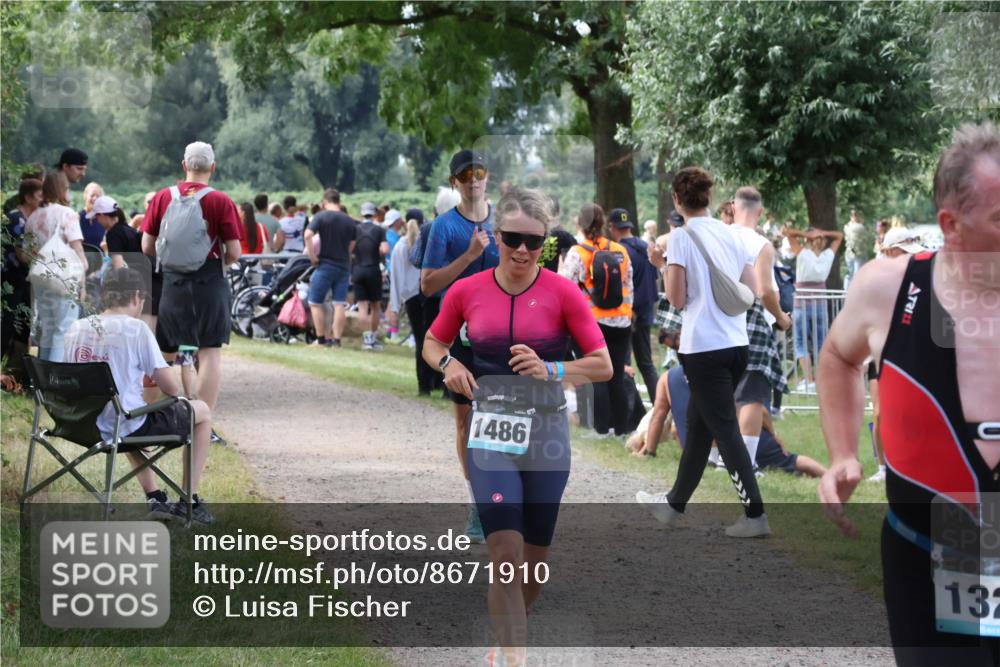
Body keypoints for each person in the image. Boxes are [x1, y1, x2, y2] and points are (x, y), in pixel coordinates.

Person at [818, 122, 1000, 663]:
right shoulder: (888, 288)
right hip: (931, 552)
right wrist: (844, 454)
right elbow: (836, 357)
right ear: (952, 225)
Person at [423, 187, 612, 667]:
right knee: (503, 555)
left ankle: (507, 642)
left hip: (547, 436)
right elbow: (431, 341)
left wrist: (551, 369)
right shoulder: (468, 290)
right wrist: (447, 364)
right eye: (512, 239)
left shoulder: (562, 291)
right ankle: (514, 659)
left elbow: (603, 365)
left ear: (546, 242)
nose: (523, 251)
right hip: (491, 436)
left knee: (534, 565)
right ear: (495, 237)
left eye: (535, 242)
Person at [635, 166, 769, 538]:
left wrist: (661, 265)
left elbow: (677, 299)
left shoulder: (680, 237)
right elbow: (751, 289)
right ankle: (673, 505)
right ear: (710, 198)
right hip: (736, 343)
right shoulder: (734, 235)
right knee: (699, 426)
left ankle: (755, 514)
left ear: (677, 200)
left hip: (703, 346)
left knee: (723, 429)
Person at [63, 267, 215, 524]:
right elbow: (171, 389)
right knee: (201, 412)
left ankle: (155, 496)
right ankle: (190, 500)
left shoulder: (77, 328)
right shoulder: (136, 329)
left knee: (129, 410)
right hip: (122, 424)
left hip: (80, 423)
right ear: (136, 297)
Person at [421, 150, 500, 543]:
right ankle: (476, 505)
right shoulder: (443, 228)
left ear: (488, 178)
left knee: (504, 421)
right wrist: (469, 256)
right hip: (458, 335)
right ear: (455, 182)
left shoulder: (503, 220)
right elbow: (428, 284)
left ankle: (502, 501)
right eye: (465, 175)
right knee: (467, 424)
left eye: (479, 173)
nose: (473, 181)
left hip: (503, 335)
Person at [141, 141, 242, 417]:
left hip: (172, 282)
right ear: (213, 167)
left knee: (163, 353)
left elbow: (146, 246)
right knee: (209, 352)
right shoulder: (221, 201)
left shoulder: (163, 197)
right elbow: (234, 251)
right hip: (209, 281)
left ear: (184, 165)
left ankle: (149, 418)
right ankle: (202, 420)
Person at [723, 187, 792, 470]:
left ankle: (717, 457)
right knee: (751, 393)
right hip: (751, 320)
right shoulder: (760, 244)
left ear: (733, 207)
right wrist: (781, 318)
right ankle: (745, 462)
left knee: (723, 390)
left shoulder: (718, 237)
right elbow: (764, 291)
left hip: (717, 320)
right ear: (759, 211)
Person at [560, 203, 633, 436]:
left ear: (579, 224)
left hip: (591, 324)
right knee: (617, 375)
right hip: (621, 322)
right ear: (603, 224)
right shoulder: (620, 251)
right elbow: (628, 285)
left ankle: (600, 429)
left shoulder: (577, 253)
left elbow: (564, 287)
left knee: (596, 375)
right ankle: (621, 429)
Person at [25, 170, 88, 362]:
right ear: (62, 189)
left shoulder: (33, 216)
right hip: (63, 278)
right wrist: (82, 281)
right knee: (64, 331)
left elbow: (27, 251)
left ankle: (43, 382)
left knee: (48, 330)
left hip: (40, 278)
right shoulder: (67, 214)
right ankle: (55, 382)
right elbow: (78, 251)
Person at [609, 207, 659, 403]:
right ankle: (658, 407)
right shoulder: (646, 247)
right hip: (645, 313)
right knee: (646, 363)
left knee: (624, 364)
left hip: (626, 315)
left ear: (613, 228)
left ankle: (629, 411)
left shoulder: (618, 253)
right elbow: (653, 280)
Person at [783, 225, 843, 388]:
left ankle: (809, 380)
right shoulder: (827, 256)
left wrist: (806, 234)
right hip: (820, 304)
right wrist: (823, 232)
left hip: (802, 304)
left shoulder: (802, 253)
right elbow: (839, 235)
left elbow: (789, 233)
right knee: (822, 343)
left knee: (801, 342)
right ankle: (823, 379)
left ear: (808, 240)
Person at [2, 178, 43, 381]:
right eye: (39, 195)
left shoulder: (32, 217)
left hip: (25, 279)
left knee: (24, 324)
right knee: (7, 323)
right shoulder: (16, 219)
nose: (42, 199)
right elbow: (22, 254)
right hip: (11, 279)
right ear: (28, 197)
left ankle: (15, 371)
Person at [304, 188, 356, 347]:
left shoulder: (321, 216)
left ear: (325, 202)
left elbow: (307, 235)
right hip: (343, 265)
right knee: (339, 303)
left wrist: (313, 257)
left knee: (315, 301)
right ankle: (337, 340)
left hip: (326, 264)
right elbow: (353, 242)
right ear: (338, 201)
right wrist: (346, 253)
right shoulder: (349, 220)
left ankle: (321, 339)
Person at [389, 218, 434, 394]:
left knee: (421, 341)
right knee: (435, 340)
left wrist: (395, 304)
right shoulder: (429, 243)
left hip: (411, 297)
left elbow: (396, 275)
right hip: (430, 294)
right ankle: (437, 381)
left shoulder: (401, 247)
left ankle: (424, 385)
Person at [354, 201, 389, 351]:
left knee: (362, 306)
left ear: (362, 213)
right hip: (373, 269)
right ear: (374, 214)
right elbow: (385, 250)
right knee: (375, 306)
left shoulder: (355, 229)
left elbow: (350, 249)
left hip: (358, 269)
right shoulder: (379, 230)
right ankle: (372, 339)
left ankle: (365, 339)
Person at [843, 208, 873, 288]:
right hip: (855, 254)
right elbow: (865, 231)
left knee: (852, 273)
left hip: (855, 254)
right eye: (853, 215)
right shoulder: (857, 227)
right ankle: (851, 292)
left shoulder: (847, 226)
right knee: (855, 273)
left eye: (855, 215)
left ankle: (848, 291)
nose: (854, 216)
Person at [78, 182, 105, 247]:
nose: (95, 198)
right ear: (85, 196)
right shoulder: (77, 217)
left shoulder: (104, 219)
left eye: (98, 196)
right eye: (92, 195)